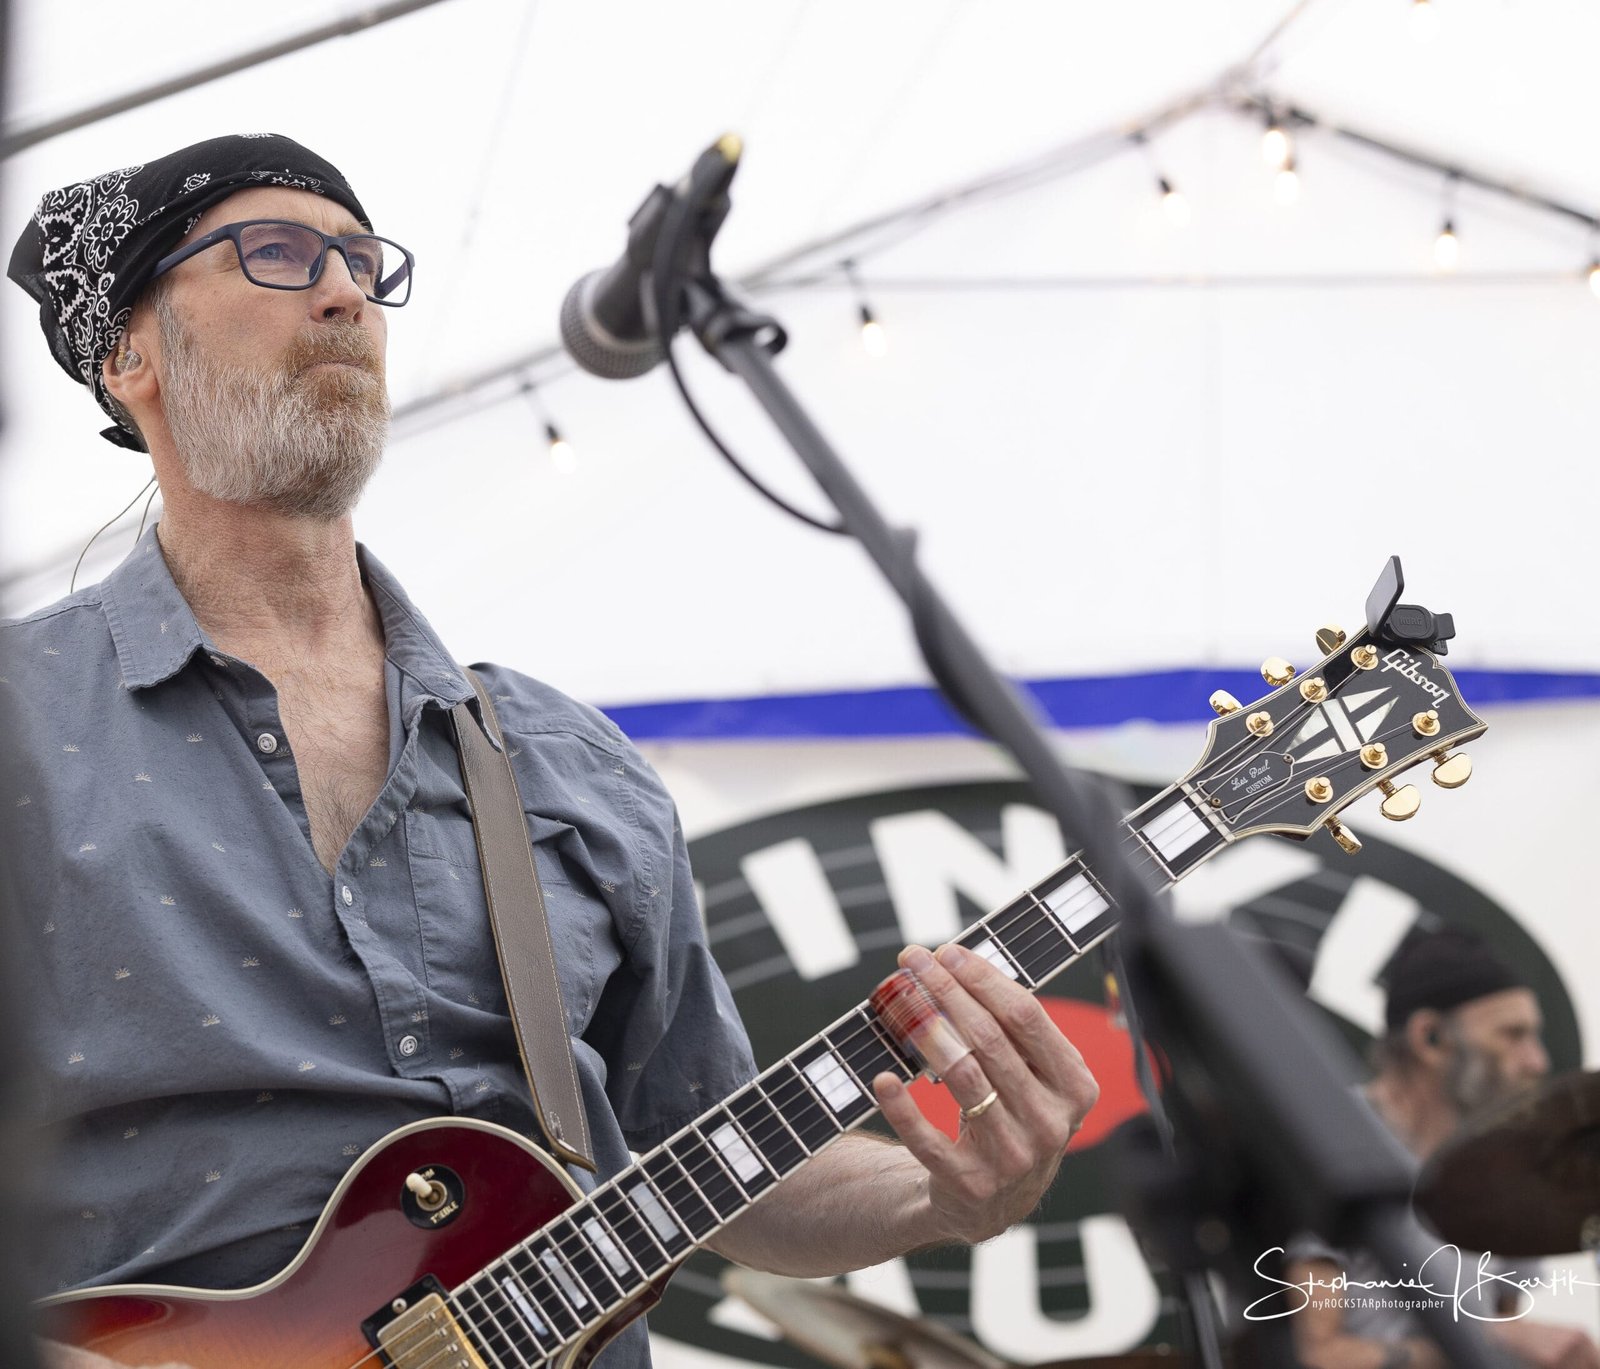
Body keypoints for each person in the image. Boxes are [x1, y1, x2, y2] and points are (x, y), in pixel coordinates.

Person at [1, 135, 1098, 1368]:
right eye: (276, 252)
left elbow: (719, 1161)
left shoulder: (571, 764)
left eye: (362, 260)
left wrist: (945, 1193)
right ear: (129, 354)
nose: (345, 291)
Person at [1285, 928, 1598, 1369]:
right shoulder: (1333, 1144)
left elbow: (1503, 1329)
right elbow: (1313, 1356)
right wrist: (1486, 1345)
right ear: (1430, 1038)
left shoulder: (1509, 1169)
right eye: (1513, 1035)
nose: (1537, 1061)